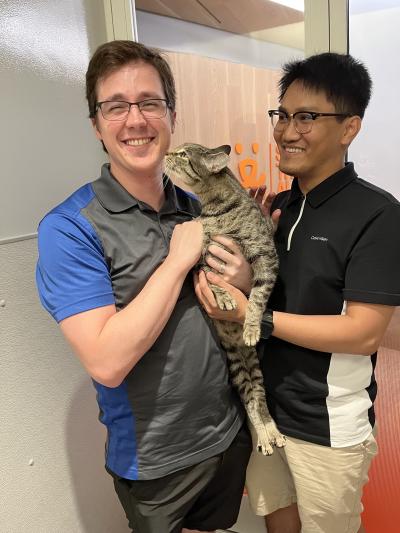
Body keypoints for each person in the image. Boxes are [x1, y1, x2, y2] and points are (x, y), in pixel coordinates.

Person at [36, 40, 252, 533]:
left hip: (225, 433)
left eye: (150, 103)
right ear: (96, 124)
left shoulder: (198, 208)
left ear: (171, 115)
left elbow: (231, 306)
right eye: (116, 106)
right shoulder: (69, 228)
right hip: (155, 462)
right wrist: (177, 263)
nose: (135, 120)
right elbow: (107, 362)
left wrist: (242, 278)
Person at [194, 52, 400, 533]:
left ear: (349, 128)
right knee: (277, 521)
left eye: (307, 117)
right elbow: (275, 289)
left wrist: (255, 316)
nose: (287, 132)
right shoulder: (280, 205)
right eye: (282, 115)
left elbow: (365, 333)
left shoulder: (378, 214)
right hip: (265, 408)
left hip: (327, 421)